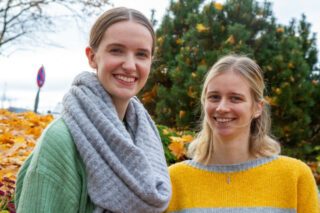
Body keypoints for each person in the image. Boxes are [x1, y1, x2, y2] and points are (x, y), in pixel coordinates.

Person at [15, 7, 171, 213]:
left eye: (141, 54)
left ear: (150, 61)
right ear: (92, 57)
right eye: (116, 50)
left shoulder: (146, 137)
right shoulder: (61, 140)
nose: (130, 65)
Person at [165, 55, 319, 213]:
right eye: (214, 97)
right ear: (204, 102)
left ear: (257, 108)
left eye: (235, 98)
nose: (222, 107)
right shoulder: (173, 181)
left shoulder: (294, 176)